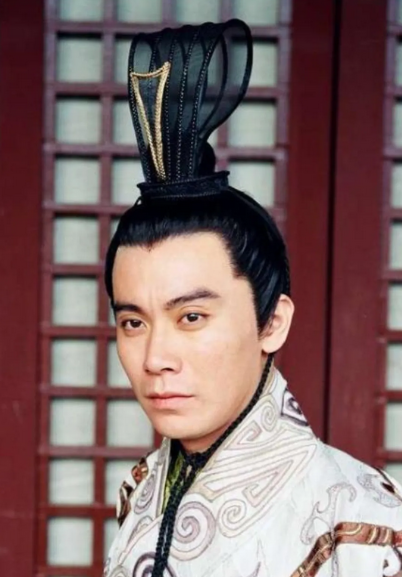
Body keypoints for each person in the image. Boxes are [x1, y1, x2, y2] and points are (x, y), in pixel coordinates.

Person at [103, 19, 402, 577]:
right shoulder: (140, 489)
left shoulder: (363, 522)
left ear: (272, 322)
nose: (155, 358)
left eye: (192, 316)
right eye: (133, 323)